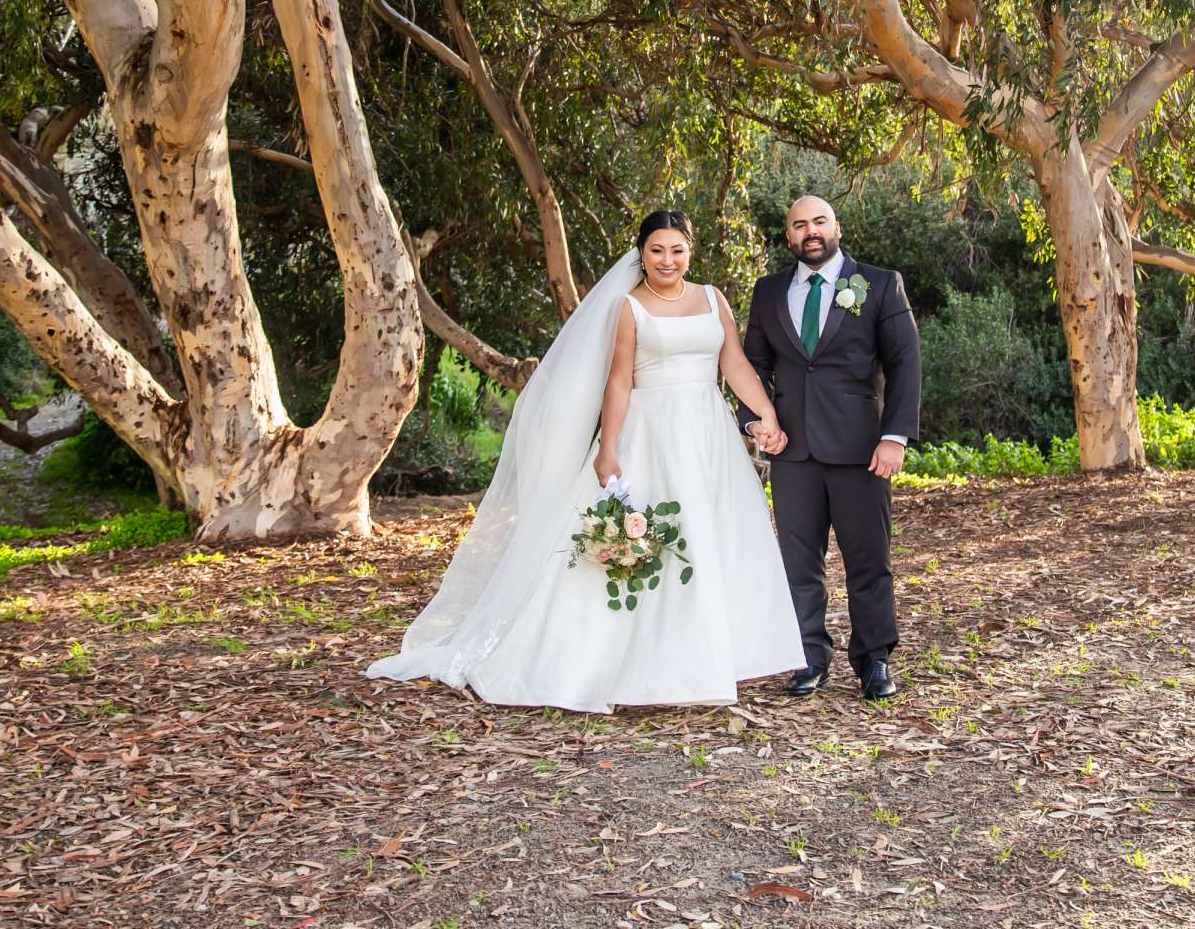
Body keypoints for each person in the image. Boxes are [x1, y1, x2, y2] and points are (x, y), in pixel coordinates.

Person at [367, 211, 805, 711]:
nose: (667, 259)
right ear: (641, 253)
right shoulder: (629, 307)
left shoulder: (712, 299)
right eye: (657, 250)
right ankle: (631, 663)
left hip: (708, 432)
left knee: (711, 535)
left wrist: (766, 412)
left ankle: (706, 658)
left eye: (677, 249)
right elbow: (618, 381)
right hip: (652, 433)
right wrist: (609, 447)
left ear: (690, 250)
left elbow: (734, 364)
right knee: (655, 541)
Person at [741, 194, 922, 700]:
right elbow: (753, 363)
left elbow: (905, 362)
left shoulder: (880, 285)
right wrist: (757, 422)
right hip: (791, 451)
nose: (810, 231)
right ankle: (808, 655)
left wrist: (894, 435)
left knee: (868, 559)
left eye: (819, 221)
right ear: (789, 236)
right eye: (800, 225)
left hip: (862, 449)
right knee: (798, 561)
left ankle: (874, 660)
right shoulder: (769, 290)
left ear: (836, 226)